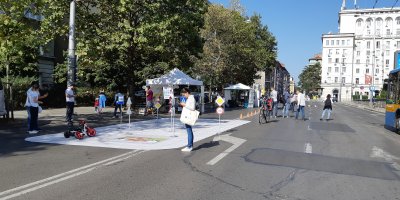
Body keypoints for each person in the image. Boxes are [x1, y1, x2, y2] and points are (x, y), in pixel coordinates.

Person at [179, 88, 196, 152]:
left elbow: (192, 108)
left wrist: (184, 105)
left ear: (187, 93)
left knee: (189, 131)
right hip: (187, 117)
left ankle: (189, 146)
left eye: (184, 94)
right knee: (189, 131)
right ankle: (190, 145)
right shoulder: (190, 98)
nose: (184, 96)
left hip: (188, 117)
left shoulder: (191, 98)